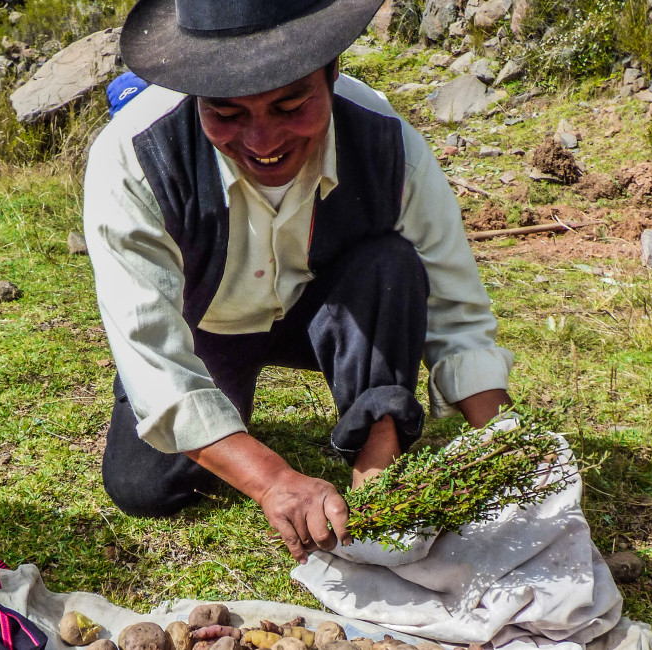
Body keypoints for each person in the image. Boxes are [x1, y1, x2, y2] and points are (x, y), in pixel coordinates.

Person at [83, 0, 514, 564]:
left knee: (391, 264)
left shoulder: (385, 139)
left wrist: (509, 449)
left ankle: (378, 452)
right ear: (193, 94)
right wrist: (270, 481)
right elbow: (153, 361)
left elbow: (456, 312)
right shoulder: (134, 159)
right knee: (144, 486)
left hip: (330, 313)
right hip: (207, 326)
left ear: (332, 72)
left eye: (291, 105)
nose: (262, 141)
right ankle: (228, 412)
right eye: (228, 114)